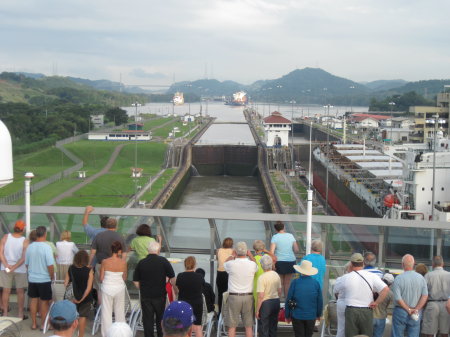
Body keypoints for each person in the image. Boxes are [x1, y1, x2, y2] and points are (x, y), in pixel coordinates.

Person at [333, 253, 389, 337]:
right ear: (363, 263)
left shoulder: (345, 278)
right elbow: (385, 289)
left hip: (351, 310)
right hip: (367, 310)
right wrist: (376, 302)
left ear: (351, 264)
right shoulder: (372, 276)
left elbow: (336, 291)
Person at [133, 241, 175, 337]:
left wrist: (143, 288)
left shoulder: (141, 262)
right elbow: (172, 277)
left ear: (148, 250)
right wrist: (176, 291)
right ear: (158, 250)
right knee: (160, 319)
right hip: (160, 296)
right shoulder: (163, 261)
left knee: (148, 320)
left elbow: (135, 281)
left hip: (146, 296)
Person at [223, 241, 258, 337]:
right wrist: (250, 256)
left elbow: (224, 264)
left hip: (234, 297)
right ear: (247, 251)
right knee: (248, 326)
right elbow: (256, 266)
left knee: (232, 326)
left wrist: (232, 255)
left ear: (236, 251)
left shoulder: (231, 264)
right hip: (248, 297)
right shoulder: (252, 264)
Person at [89, 217, 126, 304]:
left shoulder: (99, 236)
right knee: (115, 287)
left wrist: (89, 264)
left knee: (100, 288)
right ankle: (112, 308)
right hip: (116, 266)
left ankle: (100, 308)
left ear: (106, 226)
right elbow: (124, 254)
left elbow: (92, 253)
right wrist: (121, 264)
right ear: (116, 226)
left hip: (100, 265)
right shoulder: (119, 237)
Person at [25, 225, 55, 331]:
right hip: (44, 279)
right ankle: (44, 324)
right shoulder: (46, 247)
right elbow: (50, 265)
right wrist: (51, 276)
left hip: (33, 278)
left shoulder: (30, 247)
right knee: (44, 303)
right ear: (45, 234)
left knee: (33, 301)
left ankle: (34, 323)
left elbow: (27, 264)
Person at [391, 254, 428, 337]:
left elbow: (398, 298)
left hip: (400, 311)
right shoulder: (421, 278)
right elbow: (425, 295)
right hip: (416, 312)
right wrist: (416, 309)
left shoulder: (398, 278)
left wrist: (408, 309)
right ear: (414, 264)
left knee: (397, 334)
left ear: (402, 265)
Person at [285, 260, 322, 337]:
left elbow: (289, 299)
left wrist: (287, 315)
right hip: (311, 315)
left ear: (301, 270)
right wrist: (319, 314)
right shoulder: (316, 283)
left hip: (297, 315)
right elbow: (319, 301)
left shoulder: (295, 282)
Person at [0, 220, 29, 319]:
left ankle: (5, 313)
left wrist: (6, 265)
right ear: (23, 229)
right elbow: (23, 257)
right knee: (20, 291)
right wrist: (14, 267)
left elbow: (1, 253)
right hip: (19, 269)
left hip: (5, 268)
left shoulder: (5, 237)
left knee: (6, 290)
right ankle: (20, 314)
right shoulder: (25, 241)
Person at [100, 241, 127, 337]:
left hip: (107, 287)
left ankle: (106, 334)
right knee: (120, 312)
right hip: (119, 288)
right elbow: (124, 277)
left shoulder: (105, 261)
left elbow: (101, 278)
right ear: (120, 251)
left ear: (111, 250)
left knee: (106, 313)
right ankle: (121, 334)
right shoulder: (123, 263)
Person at [64, 250, 93, 337]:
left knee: (70, 316)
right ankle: (80, 336)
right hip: (85, 298)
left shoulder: (71, 268)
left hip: (73, 297)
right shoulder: (89, 271)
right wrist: (81, 299)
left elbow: (65, 283)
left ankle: (69, 334)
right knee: (82, 316)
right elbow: (88, 288)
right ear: (86, 259)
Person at [175, 256, 204, 337]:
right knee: (198, 327)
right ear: (195, 265)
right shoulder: (200, 277)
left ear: (185, 265)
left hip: (183, 304)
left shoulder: (180, 276)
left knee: (183, 326)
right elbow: (202, 287)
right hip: (197, 304)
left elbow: (178, 289)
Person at [421, 256, 450, 337]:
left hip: (432, 304)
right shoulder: (449, 275)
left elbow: (424, 293)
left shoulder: (428, 275)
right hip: (446, 305)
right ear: (443, 264)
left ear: (433, 264)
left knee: (429, 332)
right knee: (445, 332)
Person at [270, 221, 299, 298]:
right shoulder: (290, 236)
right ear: (284, 227)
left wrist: (273, 264)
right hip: (290, 261)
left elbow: (272, 252)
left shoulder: (275, 237)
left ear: (276, 229)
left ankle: (278, 302)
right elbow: (296, 249)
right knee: (287, 283)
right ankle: (287, 301)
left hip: (279, 261)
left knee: (280, 283)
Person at [256, 255, 281, 337]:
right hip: (275, 301)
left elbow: (261, 296)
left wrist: (257, 310)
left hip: (265, 303)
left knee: (264, 328)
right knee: (273, 327)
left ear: (262, 265)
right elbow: (279, 291)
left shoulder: (262, 277)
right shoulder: (276, 275)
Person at [253, 240, 276, 307]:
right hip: (267, 283)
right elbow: (275, 258)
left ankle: (257, 314)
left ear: (254, 249)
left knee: (257, 302)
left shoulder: (253, 259)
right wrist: (267, 251)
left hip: (256, 284)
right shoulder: (267, 258)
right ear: (263, 248)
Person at [334, 262, 352, 337]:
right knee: (352, 327)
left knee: (341, 327)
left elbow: (335, 292)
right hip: (352, 304)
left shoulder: (340, 279)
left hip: (341, 303)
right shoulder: (355, 278)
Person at [216, 237, 233, 315]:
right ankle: (228, 312)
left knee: (220, 294)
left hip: (220, 273)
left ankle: (220, 313)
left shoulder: (219, 250)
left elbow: (217, 259)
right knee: (230, 293)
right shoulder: (233, 252)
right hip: (228, 274)